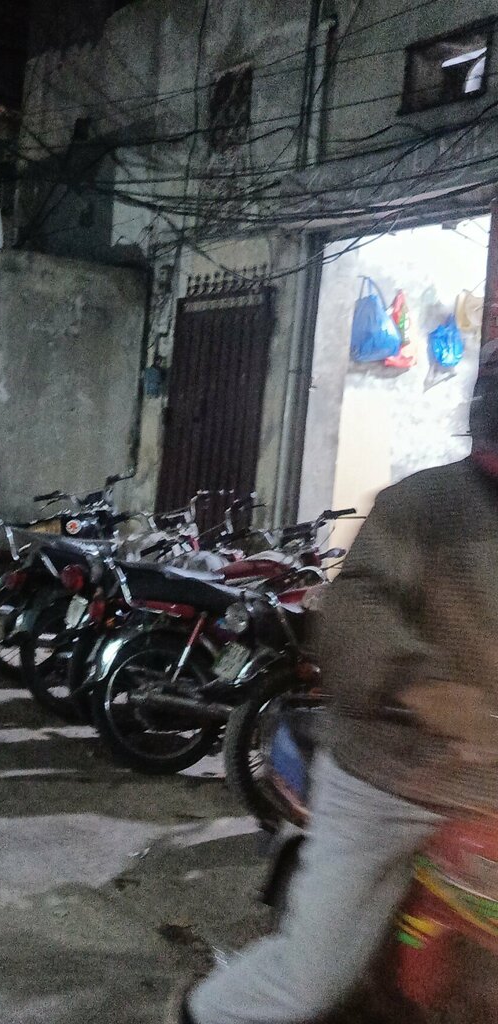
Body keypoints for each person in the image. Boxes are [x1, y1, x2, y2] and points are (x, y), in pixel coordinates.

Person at [170, 350, 498, 1024]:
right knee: (307, 984)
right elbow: (355, 612)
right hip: (394, 781)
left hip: (487, 794)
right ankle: (199, 1013)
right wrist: (422, 685)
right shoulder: (424, 505)